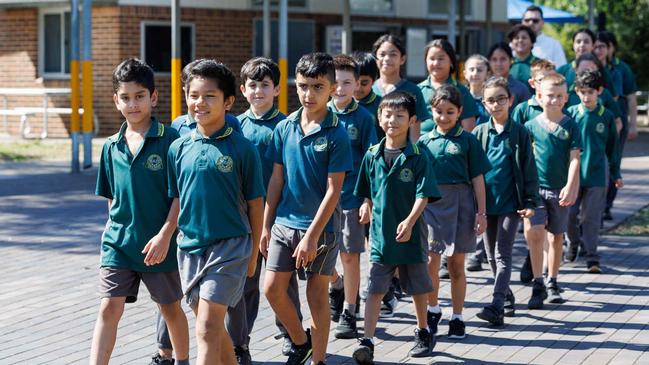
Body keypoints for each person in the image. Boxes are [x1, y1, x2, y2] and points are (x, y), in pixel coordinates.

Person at [90, 58, 190, 365]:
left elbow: (179, 196)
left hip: (160, 245)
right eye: (126, 97)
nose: (133, 104)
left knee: (170, 308)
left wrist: (165, 234)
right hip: (119, 245)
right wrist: (113, 232)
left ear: (153, 97)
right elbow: (111, 198)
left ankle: (182, 360)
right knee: (109, 307)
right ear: (116, 100)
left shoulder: (171, 140)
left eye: (139, 96)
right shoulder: (110, 146)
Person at [167, 58, 265, 364]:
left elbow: (256, 204)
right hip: (190, 248)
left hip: (231, 246)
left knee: (207, 326)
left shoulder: (242, 149)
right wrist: (164, 235)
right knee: (208, 325)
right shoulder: (178, 148)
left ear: (228, 101)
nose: (200, 103)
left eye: (210, 96)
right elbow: (178, 199)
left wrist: (252, 256)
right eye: (193, 95)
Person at [261, 52, 352, 365]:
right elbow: (276, 179)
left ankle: (319, 360)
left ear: (331, 89)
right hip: (284, 224)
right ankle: (301, 342)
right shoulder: (284, 127)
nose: (308, 94)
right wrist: (265, 225)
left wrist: (312, 237)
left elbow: (333, 190)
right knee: (272, 289)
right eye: (302, 86)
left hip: (321, 229)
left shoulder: (337, 133)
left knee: (316, 298)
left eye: (317, 87)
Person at [352, 91, 441, 364]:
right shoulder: (372, 154)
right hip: (380, 235)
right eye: (388, 114)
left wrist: (411, 220)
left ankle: (423, 330)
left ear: (412, 120)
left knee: (416, 287)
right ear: (379, 118)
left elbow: (423, 195)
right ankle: (367, 340)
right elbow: (366, 189)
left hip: (411, 235)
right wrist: (366, 204)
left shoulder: (418, 156)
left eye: (400, 116)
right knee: (375, 288)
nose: (393, 120)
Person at [419, 84, 491, 339]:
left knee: (457, 264)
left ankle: (458, 316)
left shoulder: (468, 140)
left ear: (460, 111)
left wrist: (481, 213)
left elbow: (478, 179)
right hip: (432, 206)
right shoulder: (424, 141)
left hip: (462, 204)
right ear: (431, 111)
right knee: (430, 261)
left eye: (450, 112)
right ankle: (433, 308)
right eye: (438, 111)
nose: (444, 117)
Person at [473, 76, 539, 325]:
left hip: (511, 205)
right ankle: (506, 296)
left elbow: (529, 170)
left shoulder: (519, 132)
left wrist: (530, 201)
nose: (496, 104)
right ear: (484, 104)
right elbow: (474, 172)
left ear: (510, 100)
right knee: (490, 257)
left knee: (503, 255)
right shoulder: (479, 133)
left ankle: (496, 303)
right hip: (486, 206)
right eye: (491, 100)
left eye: (501, 99)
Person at [327, 54, 378, 339]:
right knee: (320, 256)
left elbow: (371, 162)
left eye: (347, 82)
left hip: (350, 199)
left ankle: (349, 309)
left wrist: (367, 200)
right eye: (335, 82)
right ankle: (336, 285)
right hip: (321, 200)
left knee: (349, 255)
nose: (341, 88)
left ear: (357, 84)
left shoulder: (364, 118)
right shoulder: (321, 114)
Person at [523, 73, 581, 309]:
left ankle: (552, 280)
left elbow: (575, 159)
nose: (554, 100)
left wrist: (570, 185)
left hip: (559, 190)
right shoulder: (529, 127)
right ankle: (538, 283)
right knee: (535, 234)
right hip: (535, 191)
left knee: (556, 236)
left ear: (566, 97)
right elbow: (522, 161)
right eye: (549, 95)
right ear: (539, 96)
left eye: (559, 96)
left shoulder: (571, 125)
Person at [566, 70, 623, 272]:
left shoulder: (606, 116)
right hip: (573, 177)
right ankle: (573, 243)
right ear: (577, 92)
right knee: (570, 215)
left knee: (590, 218)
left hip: (598, 175)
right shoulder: (570, 114)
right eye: (582, 92)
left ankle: (592, 256)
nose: (586, 96)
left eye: (590, 92)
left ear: (599, 91)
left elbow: (613, 149)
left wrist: (616, 173)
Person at [601, 31, 638, 220]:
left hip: (617, 122)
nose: (599, 50)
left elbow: (631, 98)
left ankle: (607, 205)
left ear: (612, 47)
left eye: (603, 46)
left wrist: (633, 125)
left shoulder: (621, 69)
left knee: (613, 162)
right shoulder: (589, 66)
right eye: (596, 46)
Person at [372, 34, 431, 139]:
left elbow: (414, 135)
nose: (387, 59)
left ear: (402, 59)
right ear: (376, 59)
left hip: (403, 153)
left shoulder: (413, 91)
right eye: (382, 54)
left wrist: (413, 154)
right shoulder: (369, 89)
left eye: (393, 54)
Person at [418, 39, 479, 133]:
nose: (436, 63)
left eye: (441, 58)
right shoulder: (417, 90)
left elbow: (469, 130)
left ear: (451, 61)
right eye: (432, 58)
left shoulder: (462, 91)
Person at [487, 42, 532, 108]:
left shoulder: (521, 89)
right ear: (489, 62)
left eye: (503, 59)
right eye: (494, 59)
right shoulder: (483, 87)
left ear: (511, 60)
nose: (498, 64)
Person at [352, 51, 382, 137]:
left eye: (364, 83)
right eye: (355, 83)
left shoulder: (381, 105)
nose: (358, 88)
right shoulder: (340, 103)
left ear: (374, 79)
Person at [462, 54, 492, 127]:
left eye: (479, 70)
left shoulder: (492, 99)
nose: (475, 73)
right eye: (472, 69)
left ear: (487, 74)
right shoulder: (460, 97)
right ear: (465, 74)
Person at [509, 24, 539, 94]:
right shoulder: (506, 64)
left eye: (524, 38)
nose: (520, 40)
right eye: (516, 38)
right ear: (511, 43)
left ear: (532, 42)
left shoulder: (540, 64)